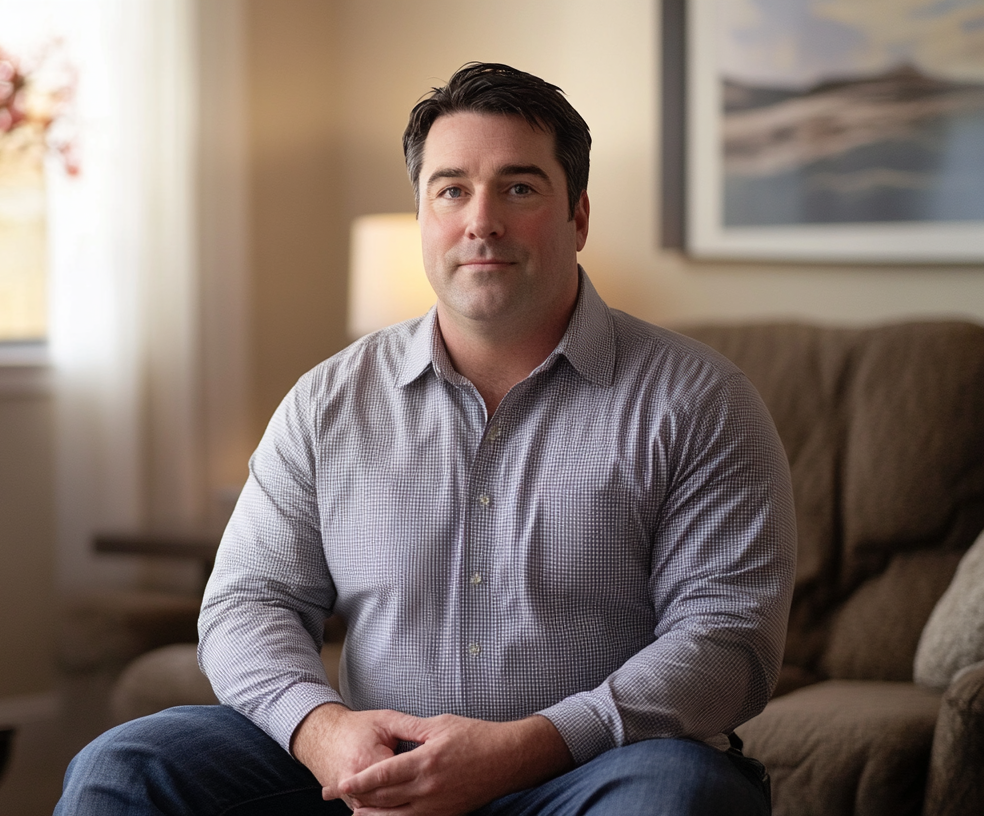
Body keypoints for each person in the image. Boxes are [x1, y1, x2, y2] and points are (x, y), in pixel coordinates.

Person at [56, 62, 796, 816]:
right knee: (124, 767)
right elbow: (249, 601)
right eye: (451, 190)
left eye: (518, 187)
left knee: (680, 796)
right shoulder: (327, 403)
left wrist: (527, 746)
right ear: (422, 218)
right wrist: (324, 732)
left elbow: (726, 642)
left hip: (591, 772)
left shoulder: (701, 401)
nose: (482, 221)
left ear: (577, 217)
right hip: (372, 773)